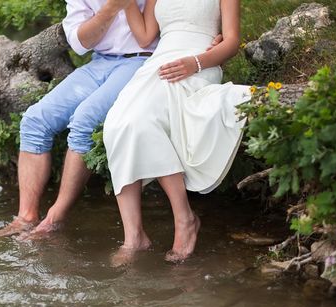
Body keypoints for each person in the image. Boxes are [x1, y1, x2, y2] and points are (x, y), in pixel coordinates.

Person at [0, 0, 159, 239]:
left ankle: (55, 217)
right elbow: (80, 43)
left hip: (142, 60)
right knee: (35, 121)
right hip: (101, 61)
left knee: (84, 121)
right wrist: (110, 9)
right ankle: (26, 217)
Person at [103, 0, 251, 265]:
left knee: (144, 121)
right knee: (116, 122)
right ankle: (134, 236)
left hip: (197, 63)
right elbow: (146, 36)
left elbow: (231, 41)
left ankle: (185, 219)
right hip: (159, 63)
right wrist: (125, 4)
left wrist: (196, 62)